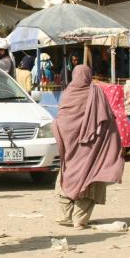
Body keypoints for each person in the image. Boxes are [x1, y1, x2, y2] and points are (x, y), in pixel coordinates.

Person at [53, 65, 124, 229]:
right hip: (92, 149)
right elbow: (108, 120)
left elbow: (61, 121)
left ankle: (65, 215)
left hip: (71, 149)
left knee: (67, 176)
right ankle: (79, 220)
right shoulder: (96, 93)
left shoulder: (67, 94)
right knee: (89, 179)